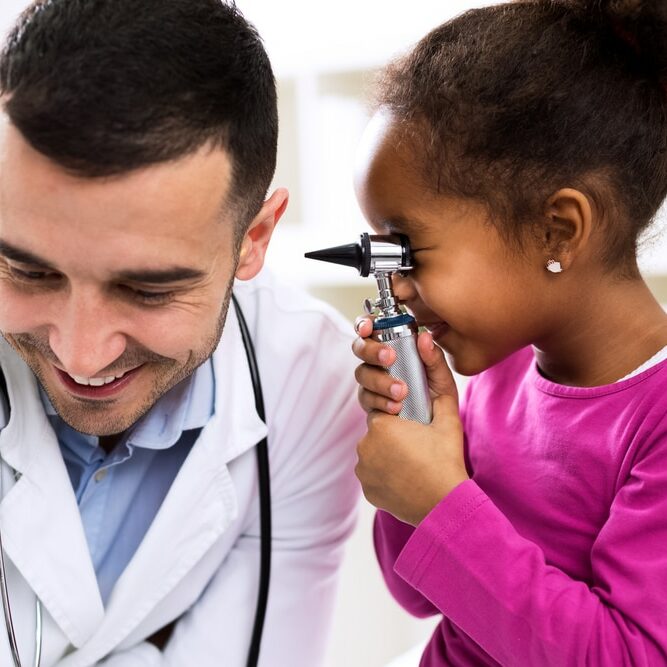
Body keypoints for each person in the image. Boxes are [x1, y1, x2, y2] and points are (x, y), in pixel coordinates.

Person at [0, 1, 363, 665]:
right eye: (29, 271)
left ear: (253, 238)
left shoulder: (308, 380)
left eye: (148, 289)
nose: (80, 353)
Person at [351, 1, 667, 664]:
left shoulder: (656, 420)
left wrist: (439, 500)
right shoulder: (497, 375)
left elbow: (627, 655)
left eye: (408, 249)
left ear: (558, 228)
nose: (396, 286)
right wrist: (419, 445)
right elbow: (422, 594)